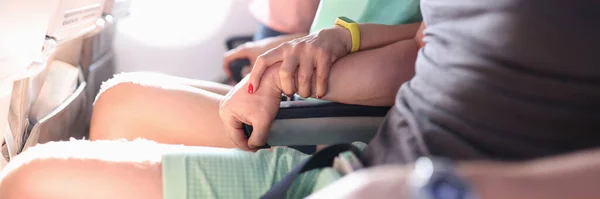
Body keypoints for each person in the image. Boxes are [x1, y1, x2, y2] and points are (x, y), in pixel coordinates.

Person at [2, 0, 600, 198]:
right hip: (360, 156)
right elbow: (429, 40)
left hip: (373, 157)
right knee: (104, 114)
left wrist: (439, 186)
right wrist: (336, 37)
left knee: (34, 179)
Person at [89, 0, 422, 148]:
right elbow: (359, 31)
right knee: (119, 94)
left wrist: (279, 74)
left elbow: (423, 51)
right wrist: (286, 45)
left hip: (351, 115)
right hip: (315, 90)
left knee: (121, 105)